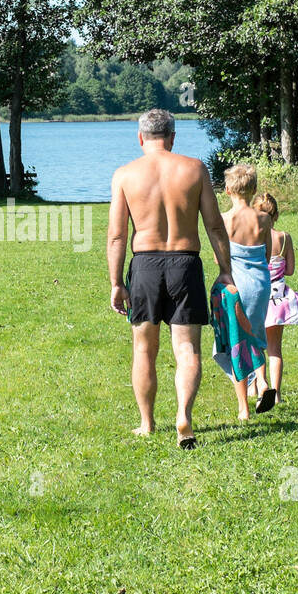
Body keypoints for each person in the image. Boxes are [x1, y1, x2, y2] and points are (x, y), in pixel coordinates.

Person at [107, 109, 233, 449]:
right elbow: (215, 225)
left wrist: (116, 282)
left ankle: (147, 423)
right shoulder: (194, 169)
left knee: (144, 350)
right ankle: (184, 417)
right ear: (173, 137)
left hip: (145, 265)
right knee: (187, 349)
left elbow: (117, 237)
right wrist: (226, 270)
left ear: (140, 137)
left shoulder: (124, 175)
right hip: (186, 263)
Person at [213, 164, 275, 419]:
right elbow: (268, 254)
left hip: (235, 286)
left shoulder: (224, 221)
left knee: (236, 342)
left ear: (227, 190)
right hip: (260, 284)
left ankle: (243, 408)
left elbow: (220, 261)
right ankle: (262, 382)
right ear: (254, 190)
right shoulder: (264, 219)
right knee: (256, 335)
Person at [252, 193, 298, 406]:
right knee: (275, 348)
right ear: (276, 215)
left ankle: (258, 388)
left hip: (258, 297)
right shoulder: (284, 238)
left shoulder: (253, 237)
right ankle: (277, 393)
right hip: (278, 300)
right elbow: (289, 270)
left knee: (256, 345)